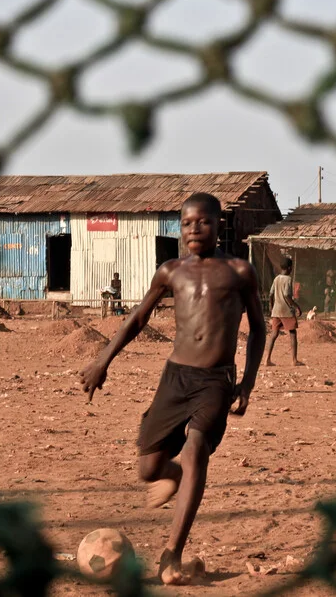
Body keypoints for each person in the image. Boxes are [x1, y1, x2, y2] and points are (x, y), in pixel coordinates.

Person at [80, 193, 266, 585]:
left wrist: (247, 382)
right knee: (149, 469)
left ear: (220, 226)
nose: (194, 229)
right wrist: (103, 359)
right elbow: (138, 317)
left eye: (203, 222)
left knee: (198, 448)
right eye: (186, 223)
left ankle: (171, 556)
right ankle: (176, 475)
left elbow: (258, 329)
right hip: (175, 378)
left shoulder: (238, 271)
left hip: (216, 379)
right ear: (179, 228)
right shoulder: (170, 271)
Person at [265, 258, 303, 367]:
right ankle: (294, 360)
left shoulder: (276, 279)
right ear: (290, 268)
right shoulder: (288, 279)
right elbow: (287, 295)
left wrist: (272, 307)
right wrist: (296, 306)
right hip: (286, 310)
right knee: (292, 333)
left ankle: (267, 359)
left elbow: (271, 294)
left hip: (276, 310)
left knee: (274, 334)